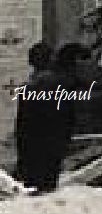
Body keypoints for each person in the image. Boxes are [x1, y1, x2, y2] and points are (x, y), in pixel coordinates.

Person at [15, 41, 80, 192]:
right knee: (49, 185)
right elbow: (68, 114)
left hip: (32, 144)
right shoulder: (61, 82)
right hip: (53, 142)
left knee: (33, 188)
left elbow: (22, 124)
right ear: (50, 59)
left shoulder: (28, 87)